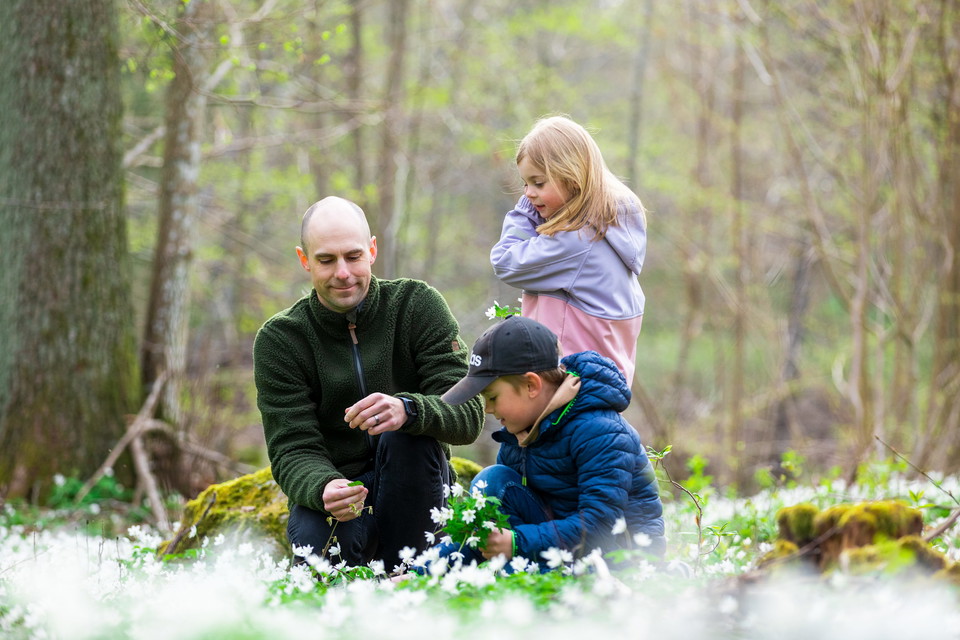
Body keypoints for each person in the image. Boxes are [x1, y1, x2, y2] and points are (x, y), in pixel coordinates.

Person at [253, 196, 485, 569]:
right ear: (304, 260)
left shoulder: (417, 305)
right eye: (326, 260)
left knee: (404, 436)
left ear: (372, 250)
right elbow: (291, 448)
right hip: (343, 493)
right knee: (314, 548)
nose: (342, 272)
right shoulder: (281, 340)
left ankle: (411, 578)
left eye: (353, 256)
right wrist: (324, 487)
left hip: (417, 483)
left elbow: (469, 412)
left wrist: (408, 409)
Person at [433, 314, 665, 569]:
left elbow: (600, 526)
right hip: (556, 548)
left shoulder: (600, 431)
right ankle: (502, 574)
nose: (487, 409)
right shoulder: (520, 433)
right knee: (494, 480)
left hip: (618, 559)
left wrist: (517, 543)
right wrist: (423, 572)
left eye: (493, 397)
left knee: (507, 576)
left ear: (532, 385)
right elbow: (486, 529)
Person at [490, 115, 647, 383]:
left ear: (572, 178)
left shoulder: (577, 241)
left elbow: (506, 261)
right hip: (600, 384)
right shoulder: (607, 228)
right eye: (525, 184)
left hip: (568, 387)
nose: (528, 193)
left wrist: (526, 212)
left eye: (538, 183)